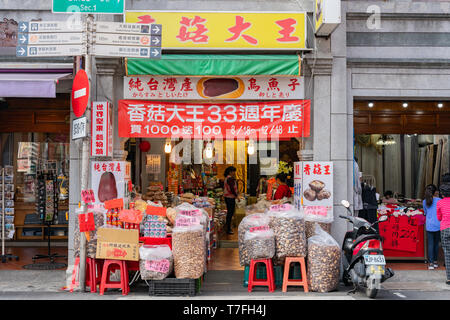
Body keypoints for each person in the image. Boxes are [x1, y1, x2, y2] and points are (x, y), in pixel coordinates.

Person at [423, 184, 441, 269]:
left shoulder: (424, 201)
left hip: (429, 225)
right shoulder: (439, 200)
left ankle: (430, 264)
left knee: (430, 244)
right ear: (435, 192)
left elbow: (425, 212)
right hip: (438, 224)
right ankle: (435, 262)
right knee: (436, 244)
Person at [437, 178, 450, 284]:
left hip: (445, 228)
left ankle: (449, 278)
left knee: (447, 252)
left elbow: (439, 217)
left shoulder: (440, 203)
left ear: (442, 194)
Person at [223, 166, 240, 235]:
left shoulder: (227, 178)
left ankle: (228, 228)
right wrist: (237, 196)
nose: (234, 173)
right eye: (233, 171)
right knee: (230, 213)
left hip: (228, 197)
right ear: (230, 172)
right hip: (230, 197)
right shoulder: (230, 179)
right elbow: (232, 189)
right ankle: (228, 229)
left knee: (229, 213)